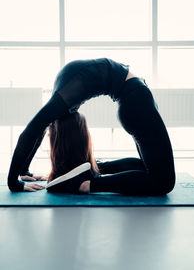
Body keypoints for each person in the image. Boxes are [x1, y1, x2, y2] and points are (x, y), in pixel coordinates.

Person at [8, 58, 176, 195]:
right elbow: (31, 133)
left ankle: (92, 170)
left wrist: (24, 171)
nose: (49, 129)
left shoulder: (62, 100)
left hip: (134, 101)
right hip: (136, 102)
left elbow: (37, 130)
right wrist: (14, 182)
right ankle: (87, 184)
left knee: (145, 167)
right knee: (163, 182)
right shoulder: (63, 99)